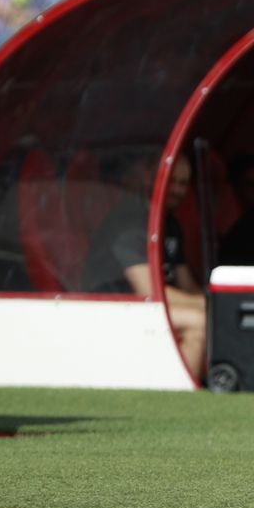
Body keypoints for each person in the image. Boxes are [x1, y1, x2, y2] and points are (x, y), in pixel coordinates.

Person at [81, 151, 206, 383]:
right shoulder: (128, 222)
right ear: (151, 177)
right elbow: (149, 290)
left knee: (214, 316)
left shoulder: (170, 224)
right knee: (199, 320)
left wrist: (218, 306)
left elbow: (186, 284)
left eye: (183, 183)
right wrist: (209, 305)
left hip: (149, 306)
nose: (178, 189)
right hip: (115, 307)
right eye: (173, 180)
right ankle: (180, 401)